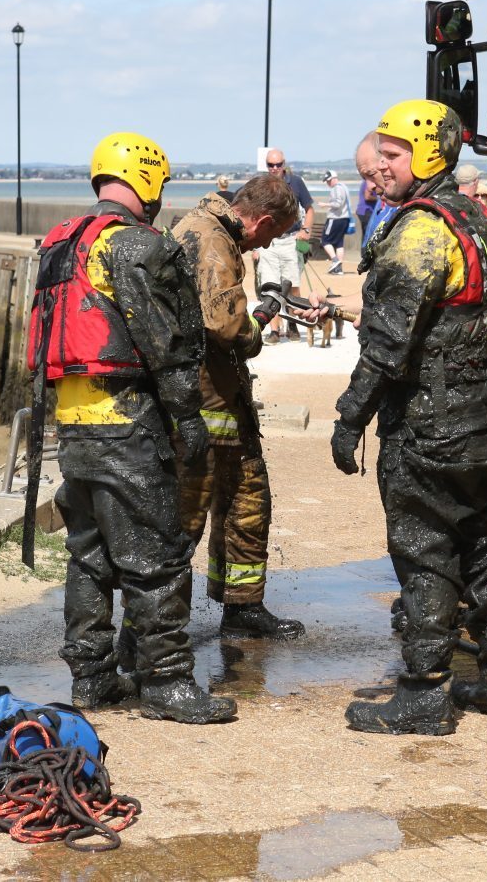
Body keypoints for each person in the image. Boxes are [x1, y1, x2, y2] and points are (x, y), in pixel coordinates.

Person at [331, 99, 487, 736]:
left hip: (429, 428)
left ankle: (424, 692)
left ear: (429, 155)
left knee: (423, 551)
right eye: (378, 154)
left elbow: (388, 344)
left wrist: (350, 417)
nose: (379, 167)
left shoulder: (418, 231)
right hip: (485, 422)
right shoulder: (477, 218)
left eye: (391, 155)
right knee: (482, 543)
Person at [33, 131, 235, 725]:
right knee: (158, 559)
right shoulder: (137, 247)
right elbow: (167, 345)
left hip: (73, 422)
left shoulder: (61, 242)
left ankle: (92, 678)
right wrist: (187, 417)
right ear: (146, 179)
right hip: (126, 422)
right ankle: (167, 682)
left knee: (89, 556)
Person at [170, 174, 313, 640]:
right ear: (264, 220)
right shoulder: (212, 242)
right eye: (271, 235)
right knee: (185, 520)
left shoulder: (200, 227)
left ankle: (243, 606)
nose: (263, 246)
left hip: (220, 401)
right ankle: (155, 631)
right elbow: (228, 329)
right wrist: (262, 318)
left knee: (247, 501)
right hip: (203, 403)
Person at [253, 149, 312, 343]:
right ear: (266, 165)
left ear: (284, 164)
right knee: (270, 287)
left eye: (278, 164)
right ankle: (274, 331)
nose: (275, 168)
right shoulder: (261, 185)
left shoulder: (296, 182)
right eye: (271, 165)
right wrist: (254, 247)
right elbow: (252, 215)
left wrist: (306, 230)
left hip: (290, 240)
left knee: (293, 285)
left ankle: (293, 323)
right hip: (267, 242)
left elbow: (309, 208)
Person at [320, 171, 351, 275]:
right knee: (339, 243)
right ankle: (339, 269)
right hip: (344, 218)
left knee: (325, 240)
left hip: (335, 218)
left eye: (328, 181)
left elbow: (338, 204)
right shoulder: (344, 187)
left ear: (333, 178)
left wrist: (325, 204)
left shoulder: (337, 188)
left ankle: (335, 261)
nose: (328, 184)